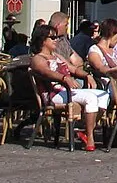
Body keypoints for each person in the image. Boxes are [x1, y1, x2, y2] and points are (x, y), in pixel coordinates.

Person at [33, 22, 107, 151]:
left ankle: (86, 130)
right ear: (43, 40)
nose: (56, 40)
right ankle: (90, 137)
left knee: (103, 95)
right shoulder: (38, 58)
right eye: (53, 38)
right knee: (90, 98)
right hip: (54, 94)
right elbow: (46, 72)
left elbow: (73, 69)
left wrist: (86, 76)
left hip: (67, 92)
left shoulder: (57, 56)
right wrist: (64, 78)